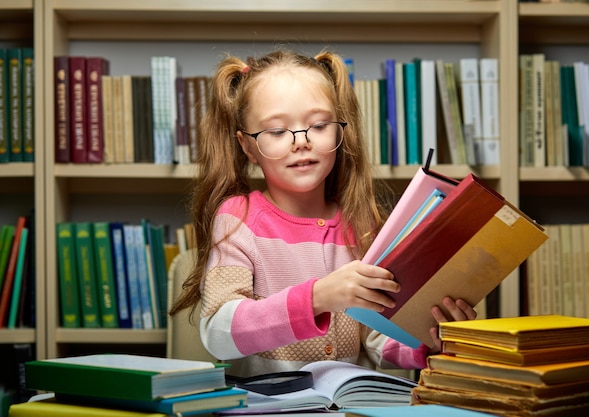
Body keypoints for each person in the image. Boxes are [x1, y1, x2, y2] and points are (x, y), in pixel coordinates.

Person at [169, 48, 477, 378]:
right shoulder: (238, 218)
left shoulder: (362, 224)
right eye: (276, 131)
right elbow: (219, 334)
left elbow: (376, 338)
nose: (301, 141)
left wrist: (429, 341)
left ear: (339, 131)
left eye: (318, 125)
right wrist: (317, 298)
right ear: (248, 147)